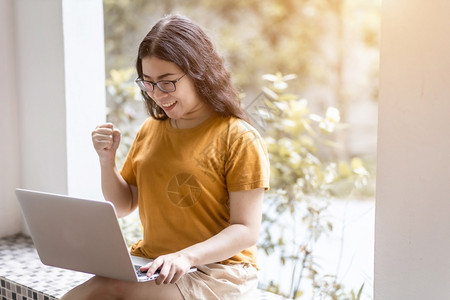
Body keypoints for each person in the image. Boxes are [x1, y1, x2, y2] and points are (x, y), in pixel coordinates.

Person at [61, 14, 269, 300]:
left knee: (105, 290)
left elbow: (246, 229)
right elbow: (123, 204)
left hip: (218, 271)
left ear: (199, 72)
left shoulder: (239, 138)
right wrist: (106, 161)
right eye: (148, 82)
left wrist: (185, 257)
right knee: (85, 293)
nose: (157, 94)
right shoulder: (151, 129)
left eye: (167, 82)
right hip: (155, 263)